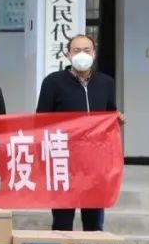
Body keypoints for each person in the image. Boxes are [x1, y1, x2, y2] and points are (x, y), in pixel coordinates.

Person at [36, 34, 125, 231]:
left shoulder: (106, 83)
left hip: (95, 162)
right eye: (76, 51)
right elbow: (41, 121)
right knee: (62, 221)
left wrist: (117, 120)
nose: (82, 54)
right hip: (64, 160)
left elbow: (110, 115)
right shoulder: (53, 82)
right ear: (68, 54)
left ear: (94, 54)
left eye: (87, 50)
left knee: (94, 223)